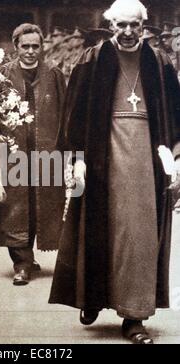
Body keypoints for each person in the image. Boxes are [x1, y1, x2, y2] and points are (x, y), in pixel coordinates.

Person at [49, 0, 180, 344]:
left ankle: (134, 315)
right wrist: (76, 159)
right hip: (101, 155)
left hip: (147, 159)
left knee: (139, 236)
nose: (127, 32)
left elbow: (176, 114)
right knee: (98, 228)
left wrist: (174, 155)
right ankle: (92, 296)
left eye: (133, 25)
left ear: (143, 26)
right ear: (110, 25)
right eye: (120, 25)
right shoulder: (92, 59)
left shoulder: (159, 60)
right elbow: (74, 113)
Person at [0, 23, 66, 285]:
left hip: (46, 149)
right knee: (16, 206)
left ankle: (30, 256)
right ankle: (21, 262)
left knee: (42, 204)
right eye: (25, 46)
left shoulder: (53, 73)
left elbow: (64, 111)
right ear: (15, 46)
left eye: (35, 46)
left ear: (41, 47)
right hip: (14, 150)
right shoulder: (3, 74)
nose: (31, 51)